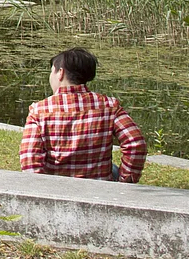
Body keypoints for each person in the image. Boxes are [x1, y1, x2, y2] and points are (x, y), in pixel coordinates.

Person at [20, 48, 147, 183]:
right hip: (100, 187)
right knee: (114, 169)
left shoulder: (39, 111)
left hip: (56, 189)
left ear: (60, 73)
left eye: (52, 71)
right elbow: (135, 143)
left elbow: (30, 160)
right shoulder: (109, 106)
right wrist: (125, 182)